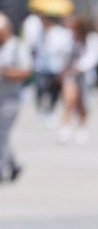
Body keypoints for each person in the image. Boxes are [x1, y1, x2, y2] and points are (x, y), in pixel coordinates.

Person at [58, 16, 98, 144]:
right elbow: (63, 53)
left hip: (84, 75)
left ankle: (82, 127)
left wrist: (80, 67)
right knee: (69, 99)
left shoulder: (92, 39)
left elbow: (93, 57)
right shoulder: (70, 38)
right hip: (71, 74)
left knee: (82, 103)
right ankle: (67, 126)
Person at [0, 12, 32, 183]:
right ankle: (14, 163)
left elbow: (26, 72)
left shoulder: (17, 46)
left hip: (10, 100)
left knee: (1, 134)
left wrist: (5, 72)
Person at [33, 14, 73, 128]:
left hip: (56, 66)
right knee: (40, 88)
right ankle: (40, 110)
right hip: (41, 66)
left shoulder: (60, 33)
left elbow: (65, 48)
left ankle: (50, 111)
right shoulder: (40, 32)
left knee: (53, 90)